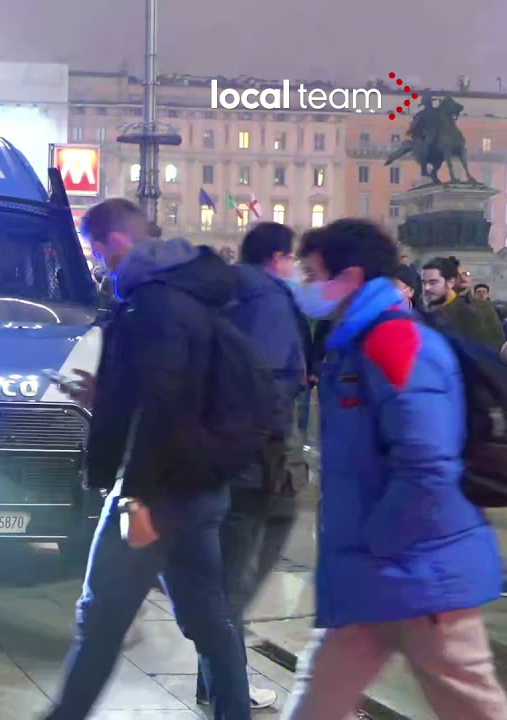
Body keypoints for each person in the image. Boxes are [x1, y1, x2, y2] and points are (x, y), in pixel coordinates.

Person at [282, 219, 507, 719]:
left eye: (312, 272)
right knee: (318, 698)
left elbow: (427, 465)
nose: (305, 283)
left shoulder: (392, 341)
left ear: (351, 276)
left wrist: (379, 541)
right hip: (379, 574)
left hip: (420, 575)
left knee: (472, 705)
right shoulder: (356, 340)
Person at [44, 198, 252, 720]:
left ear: (116, 240)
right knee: (209, 621)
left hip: (154, 492)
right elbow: (163, 388)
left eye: (96, 249)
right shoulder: (182, 296)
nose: (97, 261)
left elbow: (163, 402)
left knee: (101, 618)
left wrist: (136, 498)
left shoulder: (154, 303)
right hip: (195, 488)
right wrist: (104, 394)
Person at [192, 222, 307, 711]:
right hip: (259, 461)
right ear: (279, 257)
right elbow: (267, 382)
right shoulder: (271, 300)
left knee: (224, 581)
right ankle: (228, 689)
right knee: (233, 588)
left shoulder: (222, 294)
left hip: (222, 460)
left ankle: (215, 681)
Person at [422, 257, 505, 349]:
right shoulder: (434, 308)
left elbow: (497, 339)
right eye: (458, 275)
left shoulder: (483, 307)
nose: (463, 278)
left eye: (466, 274)